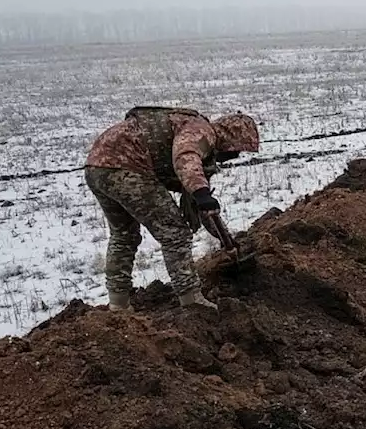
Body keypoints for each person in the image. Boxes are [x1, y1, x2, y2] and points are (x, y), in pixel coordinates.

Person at [84, 107, 260, 312]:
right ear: (229, 138)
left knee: (124, 235)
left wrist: (225, 240)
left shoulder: (195, 139)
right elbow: (185, 156)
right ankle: (191, 298)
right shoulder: (202, 131)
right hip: (127, 166)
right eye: (235, 151)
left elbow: (201, 207)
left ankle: (119, 304)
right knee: (174, 232)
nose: (233, 156)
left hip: (97, 166)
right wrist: (201, 192)